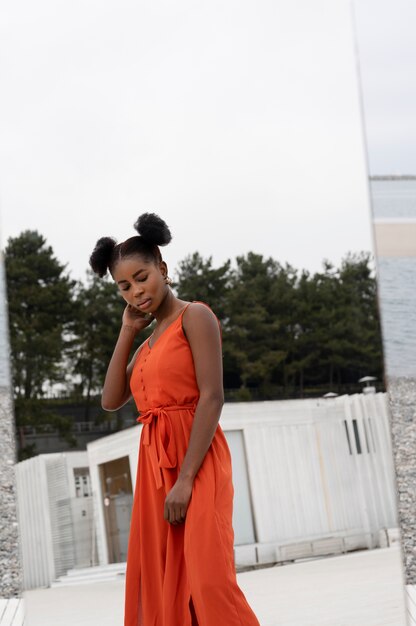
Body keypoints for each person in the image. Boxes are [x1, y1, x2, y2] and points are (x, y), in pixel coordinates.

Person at [89, 213, 260, 626]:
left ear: (162, 268)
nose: (135, 292)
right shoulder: (147, 344)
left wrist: (185, 480)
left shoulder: (195, 317)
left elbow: (212, 397)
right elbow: (111, 399)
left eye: (142, 277)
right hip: (154, 471)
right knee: (167, 584)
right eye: (123, 287)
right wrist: (127, 332)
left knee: (209, 581)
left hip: (196, 464)